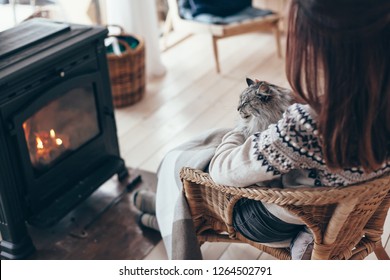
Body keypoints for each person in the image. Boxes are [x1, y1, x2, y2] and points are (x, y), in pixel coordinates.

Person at [133, 0, 390, 259]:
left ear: (322, 47)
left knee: (192, 168)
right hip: (347, 214)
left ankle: (163, 211)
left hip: (279, 219)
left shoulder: (307, 127)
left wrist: (242, 129)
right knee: (207, 159)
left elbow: (222, 171)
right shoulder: (374, 108)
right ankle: (158, 206)